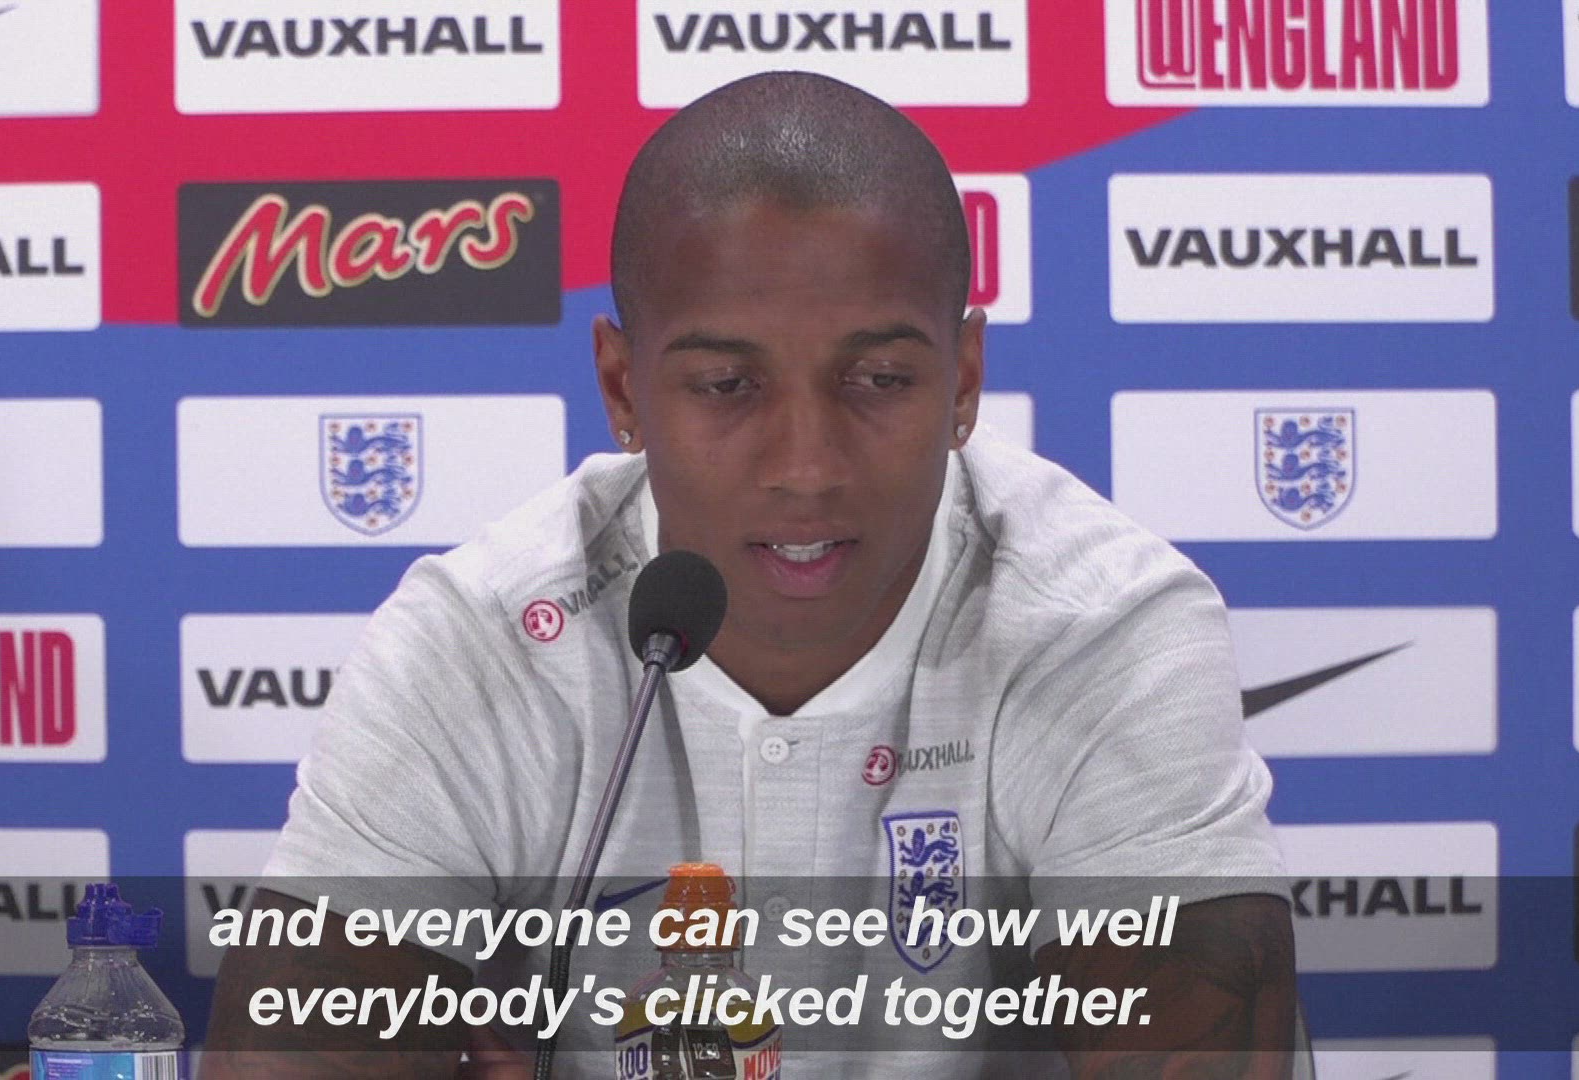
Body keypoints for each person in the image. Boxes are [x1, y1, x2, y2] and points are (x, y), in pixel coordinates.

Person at [203, 70, 1295, 1078]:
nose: (806, 467)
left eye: (879, 378)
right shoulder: (482, 641)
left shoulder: (1105, 628)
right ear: (623, 389)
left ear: (964, 380)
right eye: (728, 385)